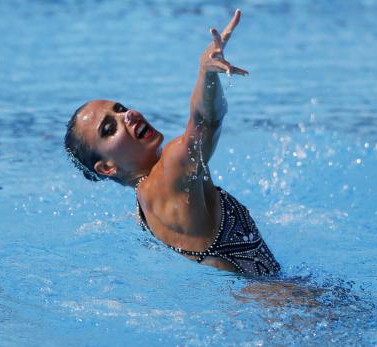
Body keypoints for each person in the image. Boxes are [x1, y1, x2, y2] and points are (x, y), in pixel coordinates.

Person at [64, 10, 280, 276]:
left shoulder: (145, 204)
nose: (127, 115)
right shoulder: (172, 168)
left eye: (120, 108)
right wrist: (206, 73)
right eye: (110, 128)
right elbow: (206, 122)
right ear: (107, 168)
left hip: (255, 307)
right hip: (279, 303)